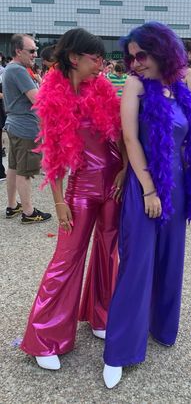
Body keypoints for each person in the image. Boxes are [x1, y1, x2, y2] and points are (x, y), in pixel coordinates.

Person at [102, 21, 191, 388]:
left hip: (178, 185)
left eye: (141, 56)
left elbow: (190, 138)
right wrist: (149, 189)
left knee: (171, 258)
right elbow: (131, 139)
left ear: (163, 50)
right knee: (137, 263)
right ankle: (119, 349)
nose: (134, 64)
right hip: (145, 183)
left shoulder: (184, 82)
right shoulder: (135, 85)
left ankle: (162, 328)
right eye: (130, 57)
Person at [20, 28, 127, 371]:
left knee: (109, 251)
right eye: (95, 58)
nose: (101, 63)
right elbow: (54, 155)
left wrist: (125, 169)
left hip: (114, 183)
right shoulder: (52, 94)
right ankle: (43, 336)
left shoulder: (103, 87)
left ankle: (101, 314)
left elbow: (119, 134)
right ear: (73, 58)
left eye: (101, 58)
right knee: (66, 259)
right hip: (80, 189)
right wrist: (59, 201)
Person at [2, 34, 51, 222]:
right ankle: (29, 213)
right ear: (18, 51)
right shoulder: (19, 71)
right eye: (31, 51)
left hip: (14, 125)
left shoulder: (10, 69)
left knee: (14, 167)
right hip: (25, 129)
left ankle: (12, 205)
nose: (35, 54)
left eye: (36, 50)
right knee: (25, 171)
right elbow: (37, 100)